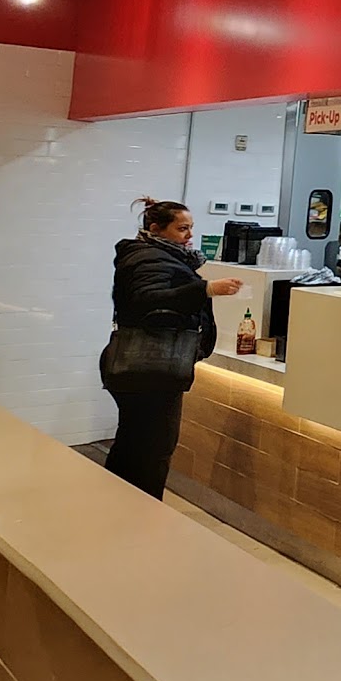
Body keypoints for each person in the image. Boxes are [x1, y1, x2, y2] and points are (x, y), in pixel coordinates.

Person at [100, 199, 244, 500]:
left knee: (133, 442)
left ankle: (117, 505)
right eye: (182, 228)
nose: (189, 235)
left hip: (142, 368)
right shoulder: (150, 258)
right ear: (156, 229)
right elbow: (146, 299)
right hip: (152, 367)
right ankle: (142, 512)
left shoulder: (155, 255)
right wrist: (206, 289)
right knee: (153, 449)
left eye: (190, 228)